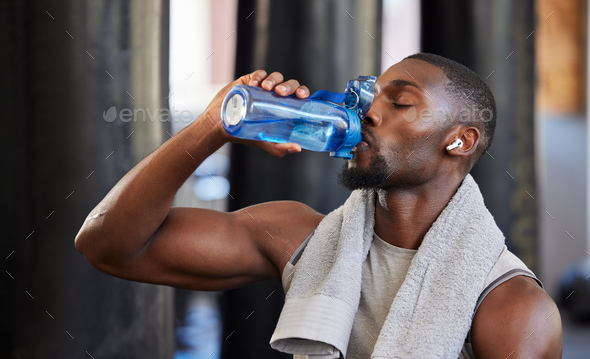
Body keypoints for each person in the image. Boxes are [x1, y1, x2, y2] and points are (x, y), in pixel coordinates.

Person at [75, 53, 562, 358]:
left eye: (400, 102)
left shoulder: (511, 307)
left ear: (458, 141)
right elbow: (109, 245)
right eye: (374, 96)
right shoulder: (300, 237)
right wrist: (211, 127)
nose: (369, 111)